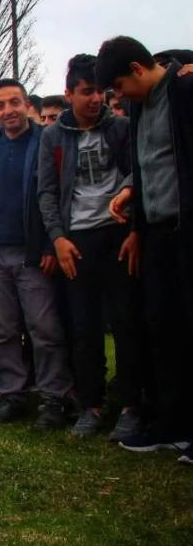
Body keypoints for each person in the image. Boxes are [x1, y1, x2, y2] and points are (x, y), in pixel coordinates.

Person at [97, 35, 193, 458]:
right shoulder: (139, 107)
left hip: (185, 228)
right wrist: (131, 195)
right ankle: (170, 423)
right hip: (154, 232)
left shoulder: (186, 89)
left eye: (119, 87)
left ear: (137, 69)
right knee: (162, 327)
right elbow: (145, 162)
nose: (118, 98)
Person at [0, 79, 72, 428]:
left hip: (33, 252)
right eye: (1, 105)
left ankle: (55, 399)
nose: (8, 110)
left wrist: (50, 244)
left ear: (27, 105)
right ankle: (12, 395)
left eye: (14, 103)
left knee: (44, 328)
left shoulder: (46, 141)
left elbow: (54, 198)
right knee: (1, 329)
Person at [37, 53, 139, 439]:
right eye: (86, 92)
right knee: (83, 327)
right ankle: (91, 405)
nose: (95, 98)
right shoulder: (53, 135)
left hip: (118, 234)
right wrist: (58, 238)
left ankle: (130, 405)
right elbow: (46, 192)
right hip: (76, 239)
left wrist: (135, 230)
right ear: (69, 94)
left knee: (127, 322)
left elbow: (137, 175)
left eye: (99, 91)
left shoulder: (122, 128)